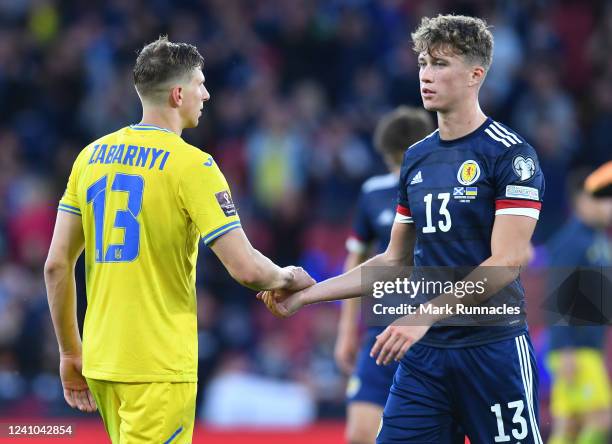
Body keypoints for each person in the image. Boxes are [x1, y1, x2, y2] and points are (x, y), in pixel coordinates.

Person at [260, 15, 545, 443]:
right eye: (423, 64)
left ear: (475, 74)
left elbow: (506, 262)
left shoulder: (511, 155)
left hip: (492, 349)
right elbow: (394, 261)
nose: (426, 76)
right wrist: (307, 295)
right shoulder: (416, 158)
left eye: (440, 64)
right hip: (425, 358)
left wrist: (422, 316)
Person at [44, 36, 314, 444]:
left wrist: (69, 352)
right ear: (177, 93)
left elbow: (56, 265)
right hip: (156, 365)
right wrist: (288, 276)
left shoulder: (90, 157)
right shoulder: (193, 165)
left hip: (102, 362)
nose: (206, 94)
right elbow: (245, 268)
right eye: (200, 84)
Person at [335, 106, 434, 444]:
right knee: (360, 435)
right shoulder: (373, 193)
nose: (397, 168)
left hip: (433, 330)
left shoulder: (442, 190)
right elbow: (356, 261)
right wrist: (347, 330)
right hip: (381, 329)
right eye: (393, 159)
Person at [545, 171, 612, 444]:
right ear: (583, 200)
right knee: (601, 418)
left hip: (589, 345)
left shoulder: (598, 239)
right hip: (575, 348)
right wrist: (565, 348)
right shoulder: (569, 241)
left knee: (569, 423)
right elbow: (558, 295)